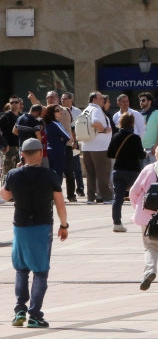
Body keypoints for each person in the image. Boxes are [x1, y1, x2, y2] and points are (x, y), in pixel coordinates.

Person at [4, 138, 69, 329]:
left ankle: (19, 310)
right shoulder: (50, 175)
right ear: (40, 153)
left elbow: (5, 195)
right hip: (42, 227)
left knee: (21, 270)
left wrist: (11, 176)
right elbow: (60, 204)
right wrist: (64, 225)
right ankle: (34, 315)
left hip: (21, 226)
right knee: (40, 271)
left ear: (22, 155)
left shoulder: (14, 174)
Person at [128, 143, 158, 296]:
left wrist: (138, 207)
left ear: (156, 156)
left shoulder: (148, 169)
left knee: (150, 247)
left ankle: (149, 271)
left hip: (147, 215)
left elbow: (134, 191)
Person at [108, 113, 147, 233]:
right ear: (132, 123)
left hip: (118, 170)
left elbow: (110, 154)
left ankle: (117, 223)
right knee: (141, 195)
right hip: (133, 171)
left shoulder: (115, 136)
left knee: (117, 198)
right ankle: (143, 220)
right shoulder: (135, 137)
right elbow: (140, 155)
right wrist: (144, 152)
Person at [81, 92, 114, 204]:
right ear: (94, 99)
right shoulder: (96, 110)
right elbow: (95, 122)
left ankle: (90, 198)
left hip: (87, 146)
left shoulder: (86, 110)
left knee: (90, 174)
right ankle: (107, 197)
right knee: (103, 173)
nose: (103, 101)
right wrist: (104, 129)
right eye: (100, 99)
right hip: (99, 147)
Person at [41, 105, 70, 182]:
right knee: (58, 173)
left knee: (52, 172)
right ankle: (57, 191)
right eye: (57, 111)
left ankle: (52, 192)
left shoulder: (48, 124)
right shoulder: (55, 123)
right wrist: (62, 140)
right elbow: (67, 136)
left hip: (50, 150)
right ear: (52, 113)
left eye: (60, 110)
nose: (60, 112)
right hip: (58, 151)